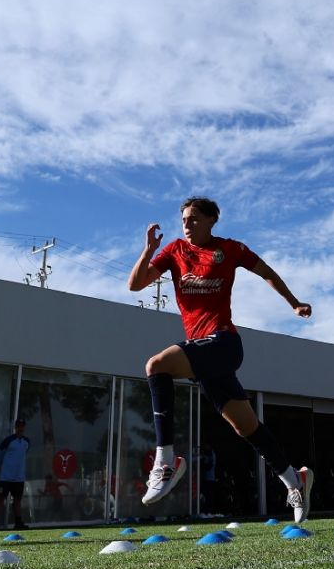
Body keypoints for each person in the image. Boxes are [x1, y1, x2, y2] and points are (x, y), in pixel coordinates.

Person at [128, 197, 314, 522]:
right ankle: (294, 479)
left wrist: (294, 303)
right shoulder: (174, 251)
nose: (187, 224)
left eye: (194, 218)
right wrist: (148, 250)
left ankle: (166, 461)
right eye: (184, 219)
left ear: (212, 220)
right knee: (246, 427)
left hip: (224, 342)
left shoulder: (229, 249)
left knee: (156, 366)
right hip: (203, 354)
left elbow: (266, 272)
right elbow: (135, 285)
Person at [0, 418, 30, 531]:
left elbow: (23, 454)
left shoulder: (26, 442)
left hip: (19, 477)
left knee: (17, 500)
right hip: (6, 477)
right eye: (18, 426)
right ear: (15, 427)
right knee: (0, 499)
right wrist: (6, 467)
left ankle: (18, 523)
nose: (20, 428)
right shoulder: (8, 441)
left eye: (22, 426)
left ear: (24, 427)